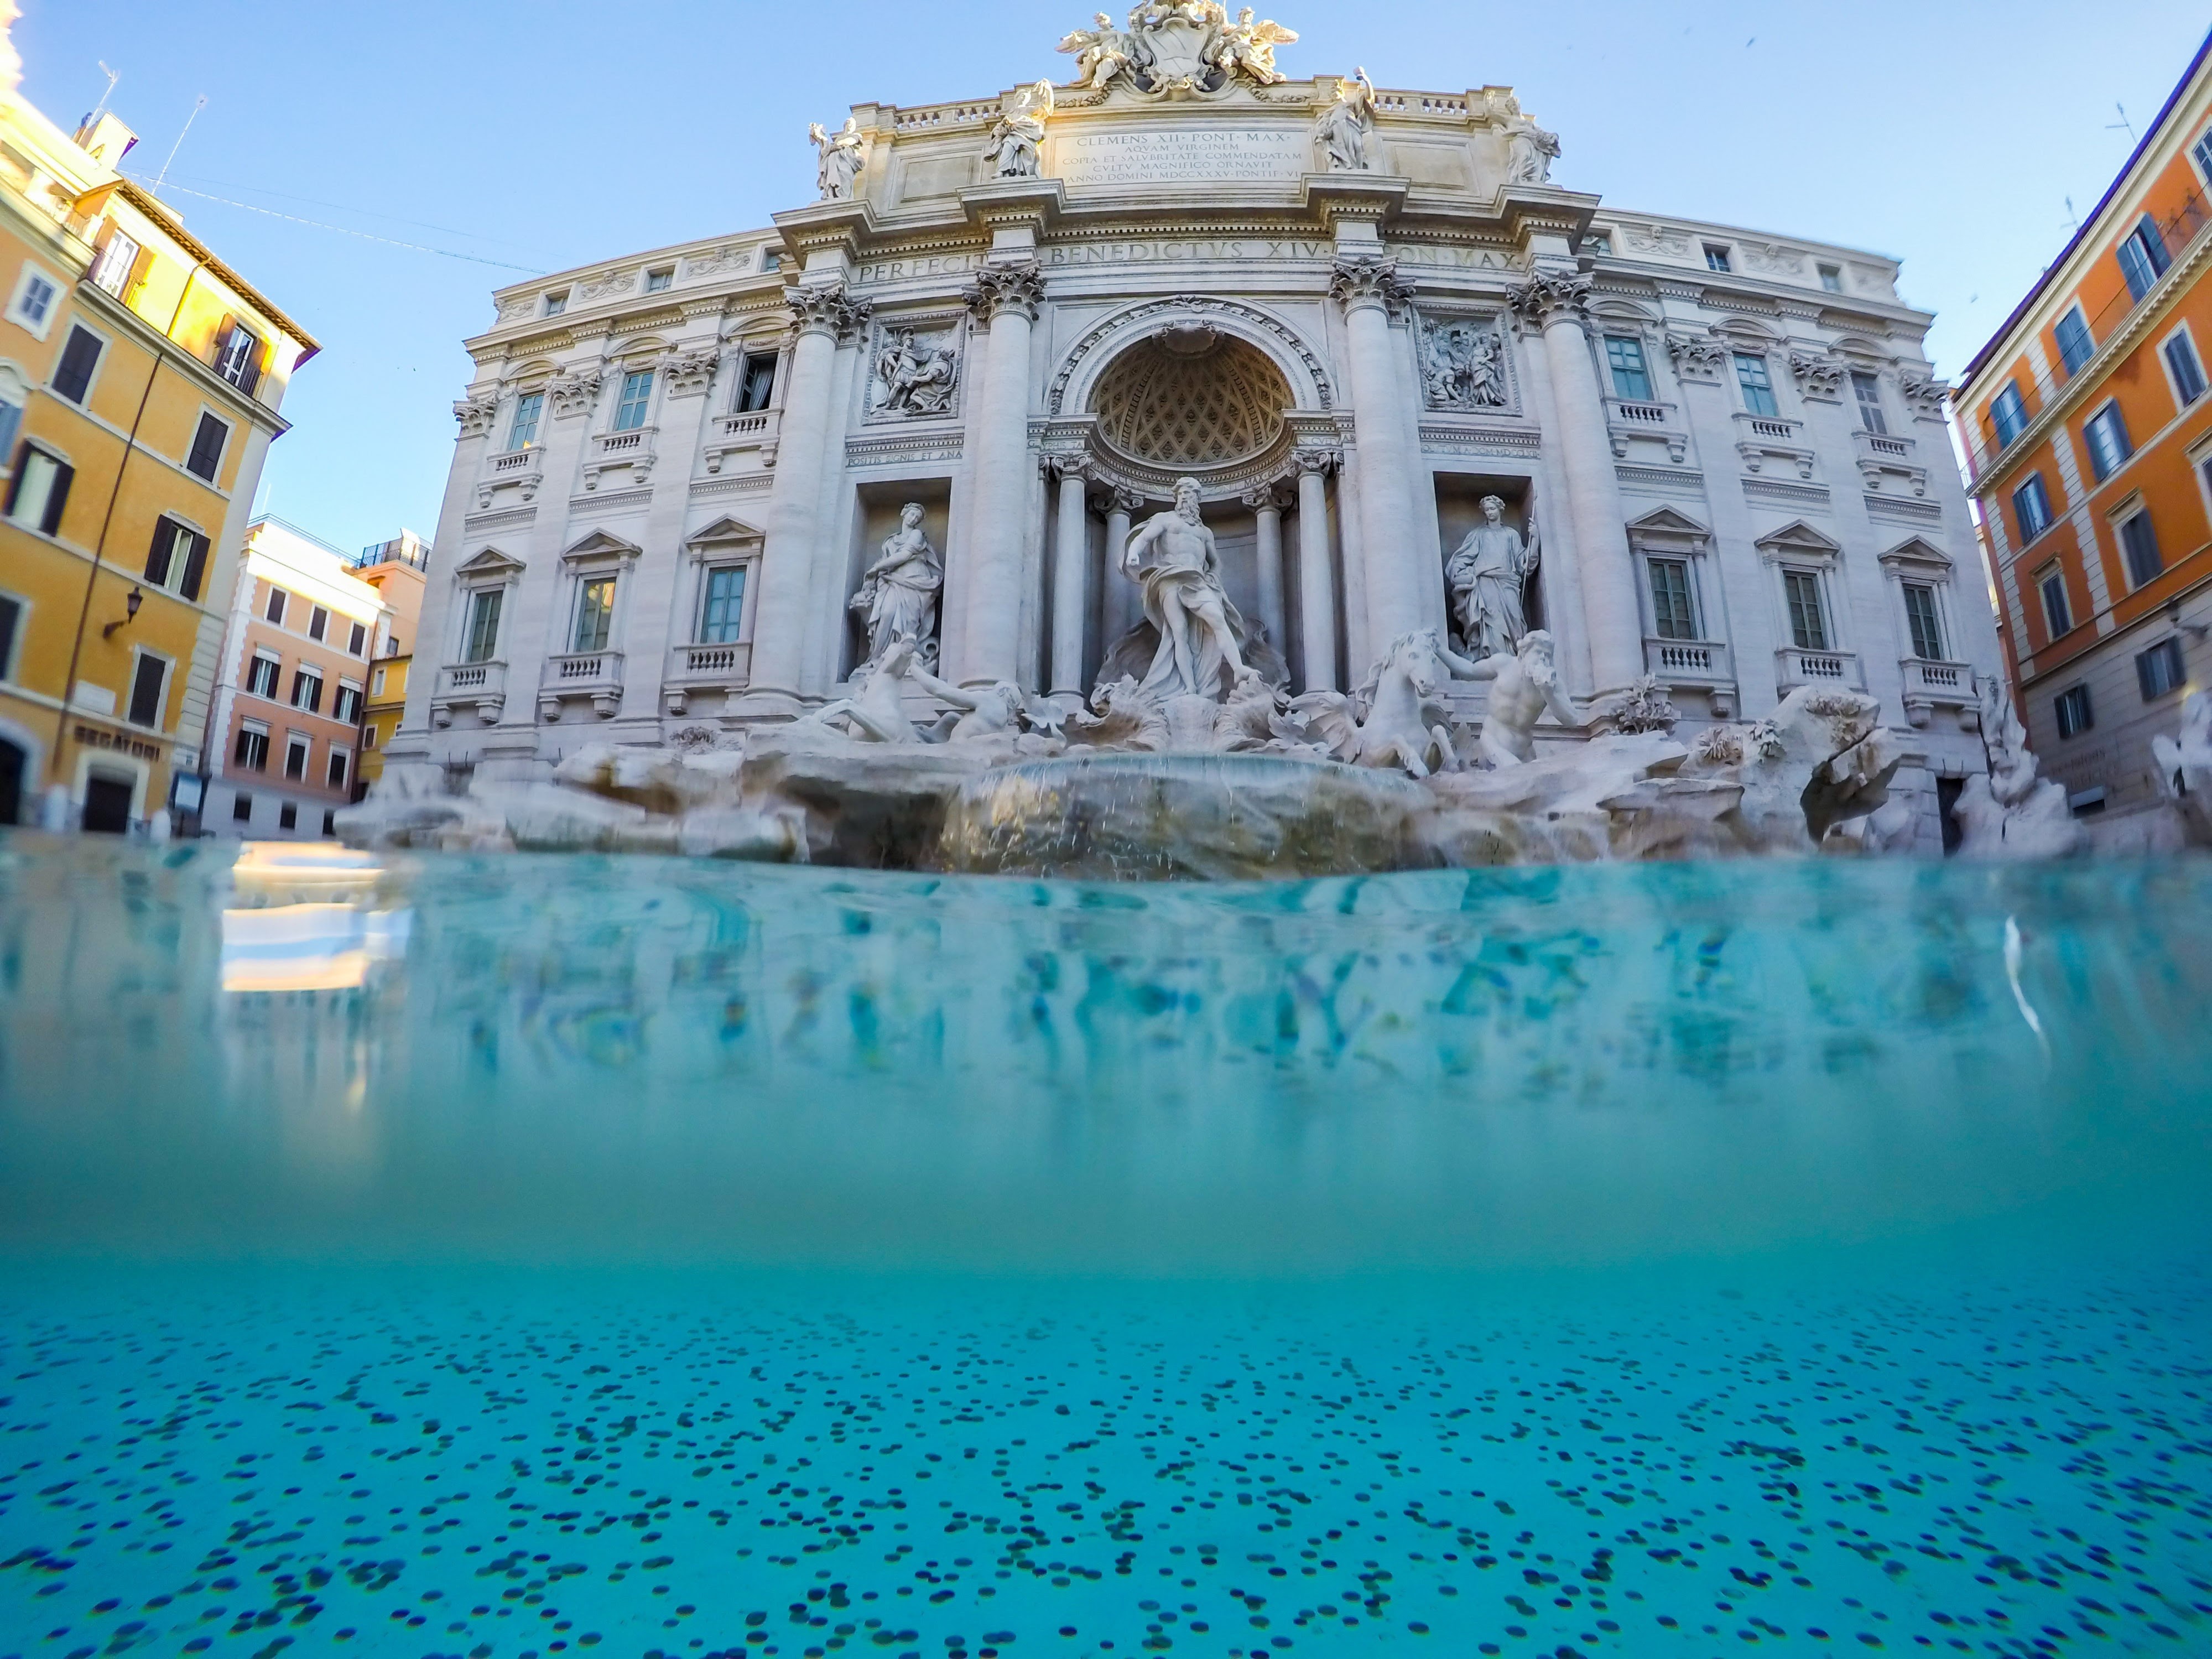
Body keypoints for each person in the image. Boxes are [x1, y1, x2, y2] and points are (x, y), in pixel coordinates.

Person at [1122, 477, 1248, 700]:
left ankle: (1238, 668)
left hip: (1197, 581)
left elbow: (1216, 562)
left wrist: (1213, 579)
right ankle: (1190, 687)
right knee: (1178, 632)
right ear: (1176, 497)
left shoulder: (1204, 532)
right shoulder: (1165, 520)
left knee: (1218, 618)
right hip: (1169, 578)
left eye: (1190, 494)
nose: (1185, 497)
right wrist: (1133, 553)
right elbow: (1143, 538)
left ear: (1197, 499)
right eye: (1182, 493)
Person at [1451, 630, 1579, 768]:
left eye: (1547, 655)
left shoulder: (1552, 683)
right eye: (1538, 652)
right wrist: (1438, 649)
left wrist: (1548, 693)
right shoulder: (1504, 664)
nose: (1543, 658)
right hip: (1493, 743)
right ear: (1523, 654)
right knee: (1517, 774)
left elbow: (1572, 720)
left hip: (1525, 751)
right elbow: (1469, 670)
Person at [849, 504, 942, 672]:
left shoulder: (917, 534)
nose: (914, 519)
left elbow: (905, 555)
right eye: (912, 515)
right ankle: (878, 658)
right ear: (904, 514)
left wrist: (876, 568)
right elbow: (887, 560)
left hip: (914, 579)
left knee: (909, 620)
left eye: (918, 518)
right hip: (892, 580)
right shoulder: (891, 540)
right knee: (886, 613)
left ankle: (905, 661)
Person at [1444, 495, 1532, 659]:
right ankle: (1491, 658)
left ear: (1500, 509)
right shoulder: (1478, 535)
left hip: (1508, 583)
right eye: (1487, 510)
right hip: (1485, 584)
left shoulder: (1511, 534)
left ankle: (1514, 657)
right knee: (1491, 621)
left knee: (1515, 620)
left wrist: (1535, 540)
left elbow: (1523, 564)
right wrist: (1463, 572)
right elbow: (1461, 559)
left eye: (1492, 509)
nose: (1490, 513)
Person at [1314, 67, 1376, 173]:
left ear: (1341, 92)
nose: (1334, 93)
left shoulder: (1350, 105)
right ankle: (1345, 167)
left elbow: (1368, 98)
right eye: (1332, 92)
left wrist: (1366, 80)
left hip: (1351, 128)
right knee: (1342, 150)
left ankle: (1357, 168)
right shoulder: (1329, 111)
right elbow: (1322, 129)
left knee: (1357, 146)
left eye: (1336, 91)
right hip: (1337, 129)